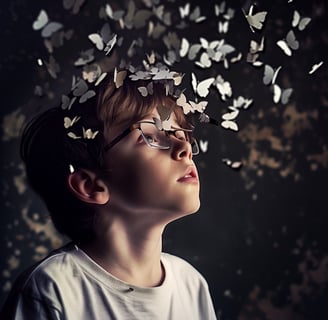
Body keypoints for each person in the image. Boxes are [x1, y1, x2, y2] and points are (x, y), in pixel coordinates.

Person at [0, 69, 217, 319]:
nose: (184, 147)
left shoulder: (191, 285)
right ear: (91, 186)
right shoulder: (52, 289)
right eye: (150, 136)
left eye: (181, 133)